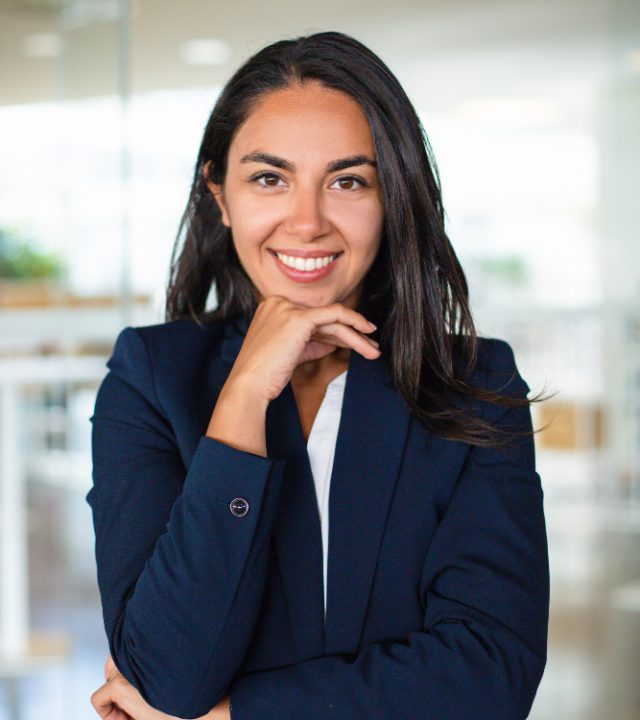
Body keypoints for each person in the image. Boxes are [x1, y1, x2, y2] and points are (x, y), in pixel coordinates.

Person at [87, 30, 550, 720]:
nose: (306, 222)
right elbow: (165, 677)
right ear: (219, 193)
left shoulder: (476, 381)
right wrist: (242, 398)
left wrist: (234, 715)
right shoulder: (150, 378)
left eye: (348, 181)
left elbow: (490, 675)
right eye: (269, 178)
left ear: (393, 196)